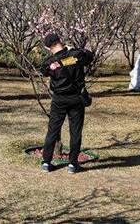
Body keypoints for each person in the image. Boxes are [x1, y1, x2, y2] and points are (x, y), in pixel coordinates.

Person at [38, 33, 93, 174]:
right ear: (60, 41)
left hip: (58, 100)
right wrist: (71, 52)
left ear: (47, 47)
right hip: (76, 98)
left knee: (53, 130)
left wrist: (59, 64)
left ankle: (46, 162)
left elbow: (43, 70)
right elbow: (88, 56)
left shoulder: (50, 62)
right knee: (75, 132)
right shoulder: (76, 55)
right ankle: (73, 164)